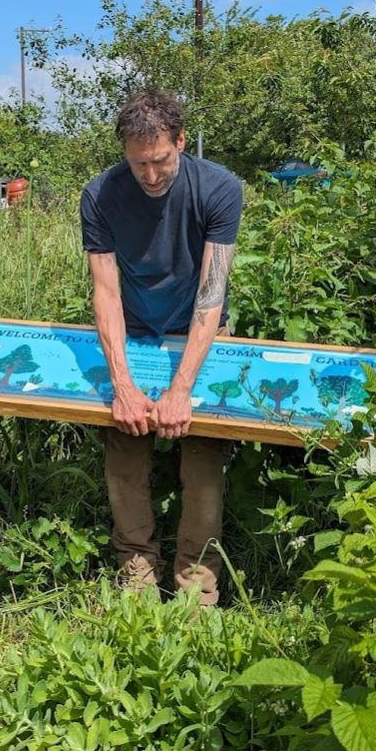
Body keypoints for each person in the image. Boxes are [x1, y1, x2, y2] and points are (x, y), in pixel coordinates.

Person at [80, 89, 242, 607]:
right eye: (137, 164)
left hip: (198, 330)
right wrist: (123, 386)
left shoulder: (219, 189)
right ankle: (136, 571)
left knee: (202, 453)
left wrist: (182, 388)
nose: (150, 176)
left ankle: (198, 584)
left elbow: (211, 296)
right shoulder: (100, 195)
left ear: (181, 141)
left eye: (160, 161)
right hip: (134, 329)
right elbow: (104, 291)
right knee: (124, 442)